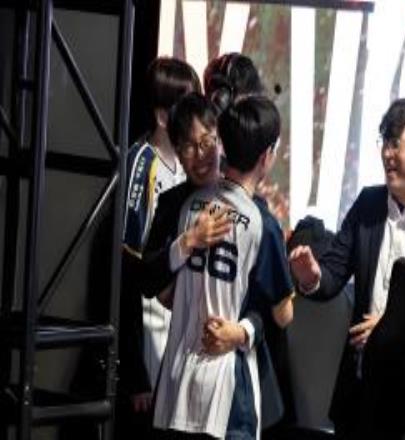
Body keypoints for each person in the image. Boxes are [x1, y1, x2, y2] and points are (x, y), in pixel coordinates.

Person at [289, 98, 405, 440]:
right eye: (385, 143)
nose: (387, 154)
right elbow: (332, 275)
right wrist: (312, 278)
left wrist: (396, 328)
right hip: (359, 395)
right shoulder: (368, 204)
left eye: (397, 144)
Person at [153, 95, 294, 440]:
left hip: (178, 380)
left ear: (222, 143)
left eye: (206, 142)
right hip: (228, 391)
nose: (199, 153)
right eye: (189, 145)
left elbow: (167, 296)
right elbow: (282, 314)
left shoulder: (189, 206)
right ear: (266, 157)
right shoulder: (261, 222)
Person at [119, 56, 201, 438]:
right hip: (149, 338)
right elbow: (126, 270)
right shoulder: (142, 165)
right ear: (163, 116)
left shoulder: (188, 165)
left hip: (180, 336)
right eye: (188, 106)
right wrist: (136, 372)